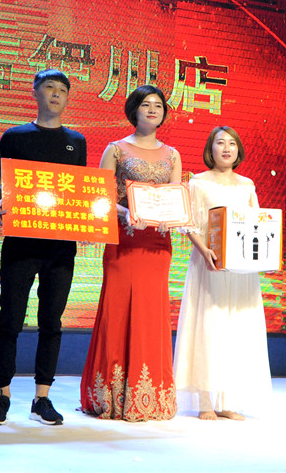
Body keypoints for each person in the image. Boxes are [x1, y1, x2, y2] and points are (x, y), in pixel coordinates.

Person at [0, 69, 87, 426]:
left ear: (67, 98)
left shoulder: (76, 140)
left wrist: (87, 221)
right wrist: (0, 205)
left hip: (61, 247)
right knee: (10, 319)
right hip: (21, 243)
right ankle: (2, 394)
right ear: (35, 93)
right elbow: (0, 181)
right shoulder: (15, 136)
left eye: (62, 90)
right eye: (49, 88)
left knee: (51, 322)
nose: (56, 94)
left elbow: (81, 190)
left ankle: (42, 397)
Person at [80, 85, 182, 421]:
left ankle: (150, 396)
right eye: (146, 104)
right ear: (133, 110)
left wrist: (170, 217)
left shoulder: (172, 155)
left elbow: (174, 198)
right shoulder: (116, 149)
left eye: (158, 105)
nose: (153, 109)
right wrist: (126, 213)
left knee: (151, 314)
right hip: (124, 241)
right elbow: (100, 196)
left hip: (157, 244)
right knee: (118, 310)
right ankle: (111, 395)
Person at [173, 126, 272, 420]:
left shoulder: (247, 185)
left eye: (232, 143)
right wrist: (205, 250)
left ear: (238, 150)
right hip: (209, 264)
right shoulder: (198, 183)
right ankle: (205, 400)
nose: (226, 148)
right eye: (220, 143)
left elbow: (258, 223)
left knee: (236, 328)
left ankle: (227, 401)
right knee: (209, 324)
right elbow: (188, 223)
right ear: (210, 149)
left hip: (241, 270)